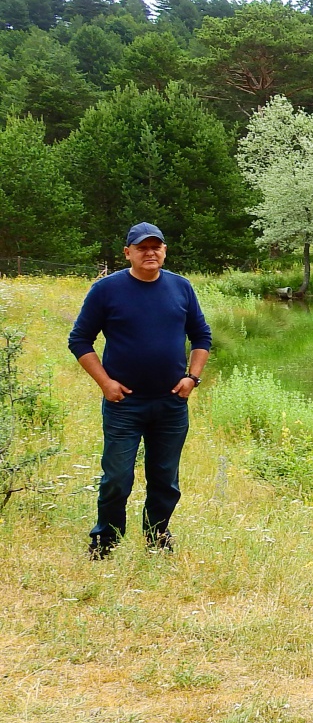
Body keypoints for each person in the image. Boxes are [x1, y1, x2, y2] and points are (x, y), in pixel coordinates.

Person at [67, 222, 212, 558]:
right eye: (142, 247)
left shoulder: (181, 287)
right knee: (117, 477)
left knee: (165, 479)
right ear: (127, 252)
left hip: (171, 403)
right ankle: (106, 541)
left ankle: (157, 537)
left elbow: (201, 336)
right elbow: (79, 340)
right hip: (124, 404)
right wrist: (106, 383)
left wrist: (192, 377)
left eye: (155, 247)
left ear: (164, 250)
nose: (150, 253)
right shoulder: (106, 290)